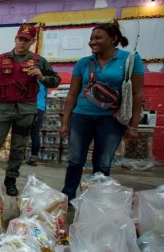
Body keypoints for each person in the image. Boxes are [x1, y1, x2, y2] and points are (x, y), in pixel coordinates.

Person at [60, 23, 144, 200]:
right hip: (81, 117)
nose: (92, 42)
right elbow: (72, 93)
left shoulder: (130, 60)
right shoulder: (84, 63)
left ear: (113, 39)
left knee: (103, 163)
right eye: (91, 39)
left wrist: (134, 126)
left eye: (98, 38)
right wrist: (65, 122)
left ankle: (97, 201)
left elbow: (137, 94)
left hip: (111, 120)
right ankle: (67, 197)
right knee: (75, 161)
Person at [0, 24, 61, 196]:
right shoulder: (0, 60)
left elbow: (56, 80)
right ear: (15, 39)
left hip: (26, 112)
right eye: (20, 39)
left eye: (26, 40)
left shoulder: (39, 61)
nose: (22, 43)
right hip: (3, 111)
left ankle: (11, 180)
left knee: (18, 148)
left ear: (32, 42)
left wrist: (42, 76)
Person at [26, 82, 48, 166]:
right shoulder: (44, 79)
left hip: (28, 108)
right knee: (35, 134)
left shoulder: (27, 77)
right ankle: (33, 159)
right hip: (40, 109)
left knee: (21, 132)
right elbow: (45, 95)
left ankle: (16, 157)